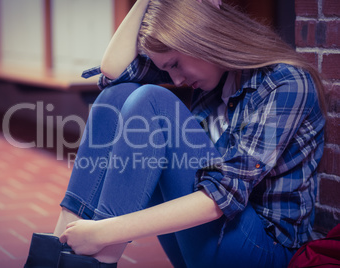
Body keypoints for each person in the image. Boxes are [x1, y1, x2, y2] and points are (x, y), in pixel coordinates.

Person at [24, 0, 326, 267]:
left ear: (203, 38)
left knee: (152, 101)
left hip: (264, 251)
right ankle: (58, 245)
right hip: (210, 240)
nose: (176, 79)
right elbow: (114, 70)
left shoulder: (285, 84)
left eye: (176, 65)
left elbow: (219, 198)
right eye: (167, 70)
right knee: (116, 97)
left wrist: (102, 233)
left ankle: (100, 259)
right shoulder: (216, 78)